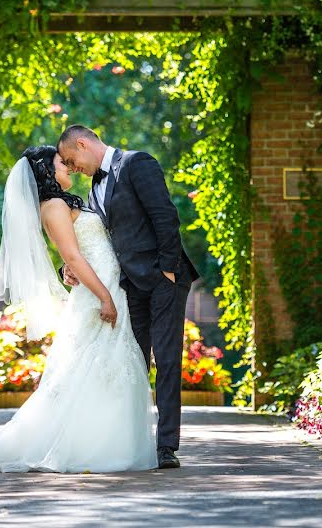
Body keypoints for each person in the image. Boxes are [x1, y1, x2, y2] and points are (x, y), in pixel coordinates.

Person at [0, 146, 157, 473]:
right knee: (92, 370)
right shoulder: (52, 205)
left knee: (107, 370)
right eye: (61, 162)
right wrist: (104, 297)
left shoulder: (66, 202)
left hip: (107, 287)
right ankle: (90, 447)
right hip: (98, 295)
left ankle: (108, 443)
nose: (68, 165)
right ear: (46, 170)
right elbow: (73, 258)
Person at [57, 125, 198, 470]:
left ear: (82, 143)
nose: (74, 169)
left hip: (164, 279)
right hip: (129, 286)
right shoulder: (94, 187)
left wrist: (167, 269)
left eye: (73, 161)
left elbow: (165, 216)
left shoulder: (138, 163)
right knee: (133, 362)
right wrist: (71, 266)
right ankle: (135, 443)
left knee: (166, 360)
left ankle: (166, 446)